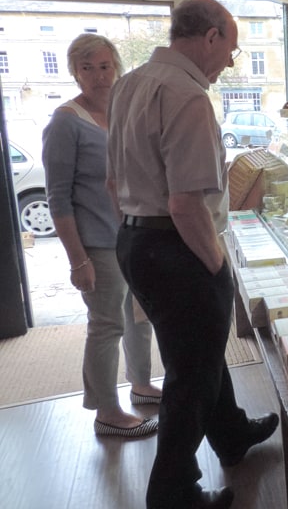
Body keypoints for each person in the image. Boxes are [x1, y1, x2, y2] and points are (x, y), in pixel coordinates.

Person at [106, 0, 278, 509]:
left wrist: (141, 240)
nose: (230, 60)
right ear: (210, 37)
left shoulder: (129, 83)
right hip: (178, 246)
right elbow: (185, 204)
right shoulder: (188, 95)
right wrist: (217, 265)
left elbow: (113, 182)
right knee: (190, 377)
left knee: (197, 353)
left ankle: (231, 434)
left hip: (137, 240)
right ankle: (173, 491)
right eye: (232, 48)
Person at [41, 33, 161, 439]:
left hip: (133, 234)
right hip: (97, 242)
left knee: (139, 318)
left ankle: (142, 385)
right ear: (75, 73)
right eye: (87, 68)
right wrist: (78, 260)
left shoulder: (123, 109)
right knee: (107, 325)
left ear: (117, 68)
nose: (98, 76)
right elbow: (58, 198)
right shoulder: (66, 121)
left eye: (105, 66)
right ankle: (107, 411)